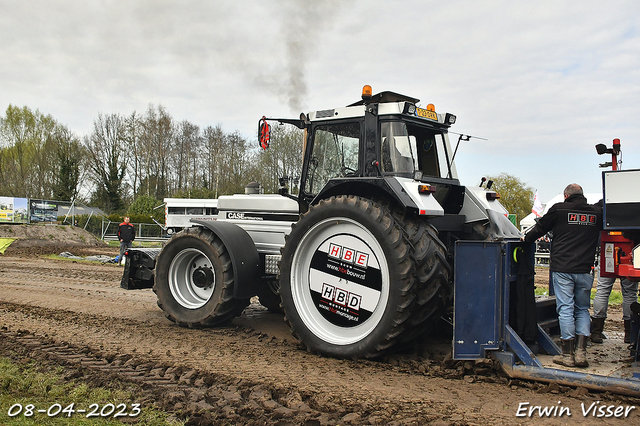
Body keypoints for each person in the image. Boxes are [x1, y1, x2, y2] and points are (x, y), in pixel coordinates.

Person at [523, 184, 602, 368]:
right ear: (582, 195)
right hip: (585, 269)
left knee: (565, 308)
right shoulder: (596, 213)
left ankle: (567, 355)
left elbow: (540, 228)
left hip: (563, 268)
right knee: (582, 309)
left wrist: (525, 240)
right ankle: (581, 353)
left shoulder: (559, 209)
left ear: (566, 196)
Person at [591, 273, 639, 345]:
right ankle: (630, 333)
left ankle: (597, 332)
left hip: (607, 262)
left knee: (603, 291)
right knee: (630, 293)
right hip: (626, 262)